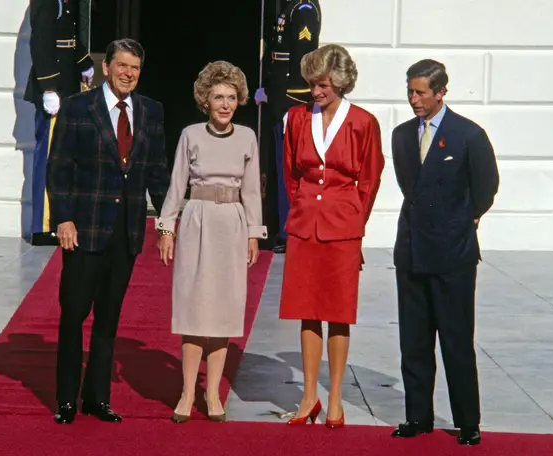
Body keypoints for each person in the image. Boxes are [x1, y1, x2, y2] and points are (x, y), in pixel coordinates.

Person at [46, 38, 169, 424]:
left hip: (126, 231)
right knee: (74, 314)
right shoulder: (77, 107)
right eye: (122, 66)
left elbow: (156, 172)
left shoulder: (151, 111)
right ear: (107, 67)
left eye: (134, 67)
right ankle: (66, 399)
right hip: (83, 229)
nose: (128, 74)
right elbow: (59, 167)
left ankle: (97, 398)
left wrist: (165, 221)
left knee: (108, 320)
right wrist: (63, 218)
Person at [390, 59, 499, 446]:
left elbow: (485, 189)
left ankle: (468, 422)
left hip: (453, 255)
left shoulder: (468, 135)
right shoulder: (402, 135)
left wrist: (461, 221)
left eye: (420, 92)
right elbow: (410, 187)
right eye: (410, 91)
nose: (414, 99)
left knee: (455, 341)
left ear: (441, 92)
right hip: (412, 252)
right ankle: (417, 417)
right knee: (414, 342)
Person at [278, 44, 385, 428]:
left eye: (322, 85)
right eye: (312, 85)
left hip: (343, 227)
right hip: (305, 224)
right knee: (307, 311)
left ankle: (335, 398)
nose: (316, 92)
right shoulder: (295, 117)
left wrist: (354, 223)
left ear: (339, 83)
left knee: (338, 313)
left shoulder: (363, 122)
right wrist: (302, 210)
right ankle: (309, 397)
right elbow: (291, 172)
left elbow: (370, 179)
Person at [155, 61, 268, 423]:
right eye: (218, 97)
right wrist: (166, 229)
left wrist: (254, 233)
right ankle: (188, 391)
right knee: (193, 307)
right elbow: (176, 185)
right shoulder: (190, 134)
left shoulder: (248, 136)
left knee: (224, 311)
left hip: (232, 223)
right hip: (197, 220)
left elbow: (252, 191)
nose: (225, 104)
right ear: (205, 99)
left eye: (231, 97)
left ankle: (213, 391)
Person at [25, 0, 95, 246]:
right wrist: (48, 87)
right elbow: (40, 42)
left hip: (68, 87)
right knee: (48, 157)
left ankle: (59, 220)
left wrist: (83, 60)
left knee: (64, 156)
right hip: (55, 90)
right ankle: (43, 226)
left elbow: (69, 35)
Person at [255, 0, 321, 253]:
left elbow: (301, 63)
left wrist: (279, 98)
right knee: (277, 169)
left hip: (288, 102)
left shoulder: (304, 9)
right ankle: (277, 227)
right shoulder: (291, 6)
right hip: (279, 99)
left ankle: (285, 231)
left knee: (285, 172)